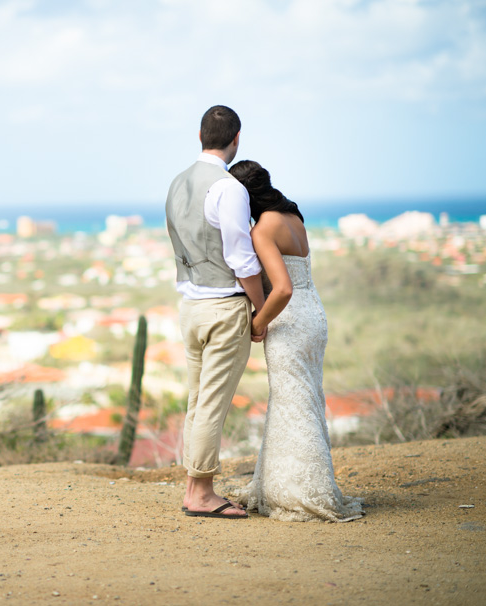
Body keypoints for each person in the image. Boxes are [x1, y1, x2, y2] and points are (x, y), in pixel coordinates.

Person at [228, 159, 364, 522]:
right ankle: (287, 482)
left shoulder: (262, 230)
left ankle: (302, 492)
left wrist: (259, 321)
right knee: (304, 398)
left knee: (294, 401)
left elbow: (283, 288)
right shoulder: (293, 218)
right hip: (314, 315)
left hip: (288, 320)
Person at [165, 106, 266, 519]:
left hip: (189, 307)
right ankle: (201, 493)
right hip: (224, 308)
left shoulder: (176, 184)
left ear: (201, 135)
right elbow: (242, 260)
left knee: (196, 401)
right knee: (212, 404)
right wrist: (262, 309)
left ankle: (195, 486)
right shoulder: (228, 188)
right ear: (236, 137)